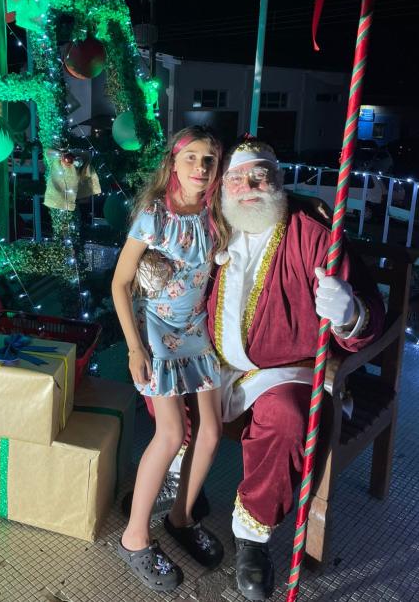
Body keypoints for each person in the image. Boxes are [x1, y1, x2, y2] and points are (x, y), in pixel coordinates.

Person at [208, 137, 385, 601]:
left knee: (288, 416)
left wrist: (349, 312)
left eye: (259, 176)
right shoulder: (214, 229)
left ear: (279, 181)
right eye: (236, 179)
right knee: (162, 387)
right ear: (223, 188)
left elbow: (371, 314)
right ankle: (178, 491)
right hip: (214, 365)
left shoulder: (313, 235)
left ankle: (252, 535)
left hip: (283, 371)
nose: (248, 187)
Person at [112, 126, 228, 592]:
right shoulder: (154, 216)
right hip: (157, 330)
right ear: (173, 163)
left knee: (212, 431)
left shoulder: (216, 213)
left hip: (195, 330)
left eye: (209, 160)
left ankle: (180, 516)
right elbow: (120, 282)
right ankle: (134, 537)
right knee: (172, 433)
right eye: (191, 157)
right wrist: (134, 346)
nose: (201, 167)